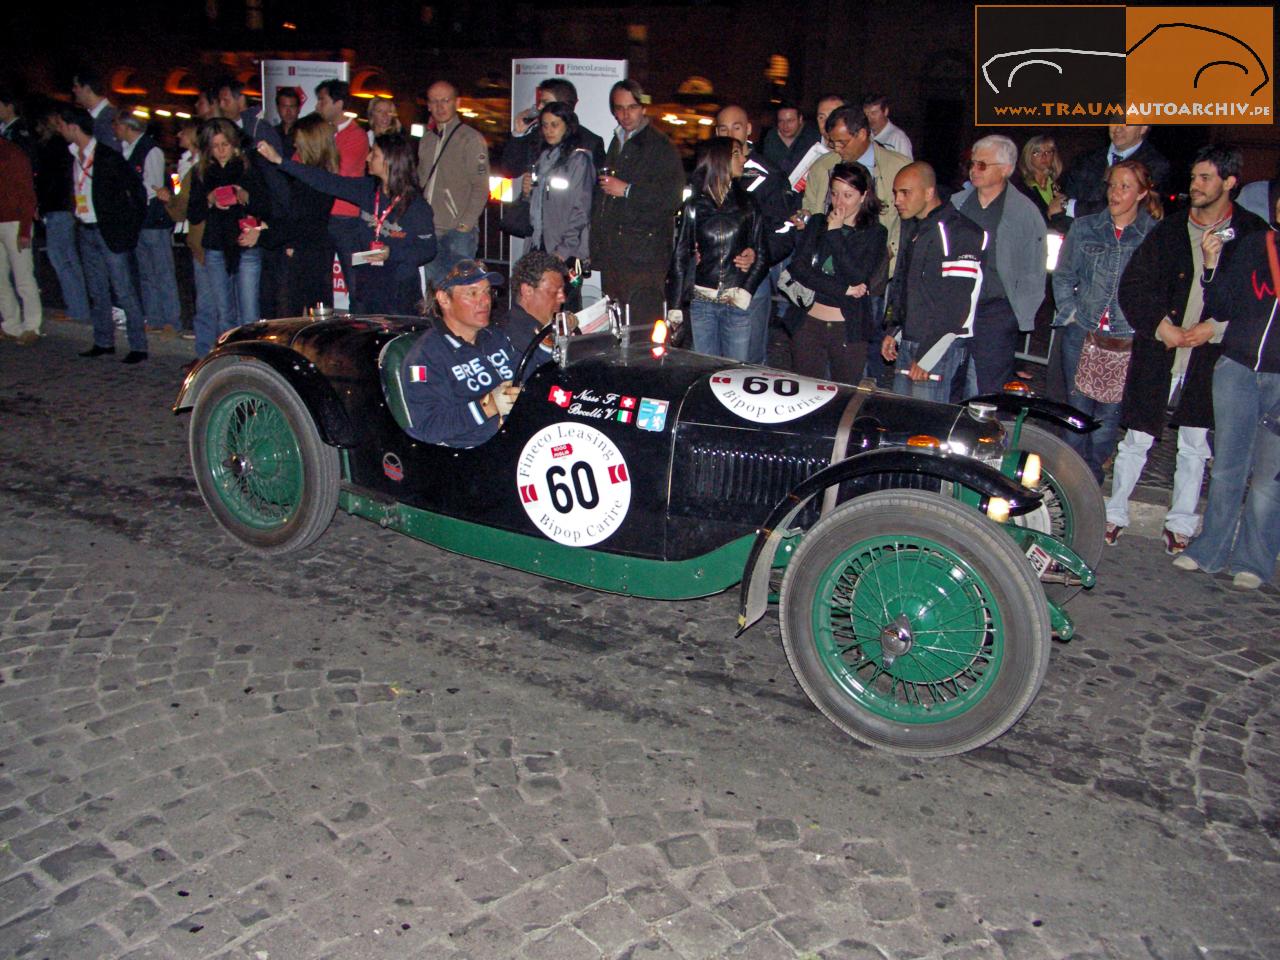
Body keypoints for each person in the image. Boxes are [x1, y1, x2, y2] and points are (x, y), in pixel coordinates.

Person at [1108, 144, 1269, 553]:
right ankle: (1114, 512)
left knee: (1195, 442)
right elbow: (1135, 285)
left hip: (1210, 353)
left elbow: (1258, 297)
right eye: (1194, 177)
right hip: (1162, 348)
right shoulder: (1172, 229)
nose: (1195, 186)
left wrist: (1214, 327)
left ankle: (1181, 520)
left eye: (1205, 178)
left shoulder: (1251, 234)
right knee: (1137, 437)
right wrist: (1162, 326)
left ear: (1229, 183)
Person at [1173, 221, 1280, 589]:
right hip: (1236, 368)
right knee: (1226, 468)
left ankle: (1254, 560)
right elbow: (1221, 304)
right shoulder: (1255, 246)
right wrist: (1210, 265)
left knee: (1269, 477)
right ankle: (1210, 550)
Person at [1052, 160, 1162, 483]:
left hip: (1125, 335)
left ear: (1142, 193)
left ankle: (1092, 473)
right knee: (1077, 409)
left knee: (1109, 414)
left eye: (1125, 187)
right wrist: (1071, 313)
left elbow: (1156, 288)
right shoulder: (1086, 227)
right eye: (1113, 185)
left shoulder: (1152, 236)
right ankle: (1072, 478)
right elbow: (1063, 274)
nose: (1115, 193)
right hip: (1083, 330)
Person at [259, 131, 436, 315]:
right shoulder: (367, 189)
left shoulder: (416, 206)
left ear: (390, 162)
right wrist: (280, 161)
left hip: (399, 291)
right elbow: (325, 181)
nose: (367, 158)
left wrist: (392, 253)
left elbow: (428, 249)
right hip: (368, 286)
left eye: (373, 154)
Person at [881, 162, 986, 403]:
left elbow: (958, 304)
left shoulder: (960, 232)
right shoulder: (919, 228)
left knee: (929, 431)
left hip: (940, 348)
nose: (897, 200)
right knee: (902, 425)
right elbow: (908, 288)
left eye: (905, 192)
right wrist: (895, 330)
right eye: (896, 193)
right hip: (912, 341)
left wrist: (929, 355)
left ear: (929, 192)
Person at [949, 134, 1046, 394]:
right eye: (972, 163)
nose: (974, 170)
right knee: (950, 378)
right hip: (955, 304)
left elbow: (1034, 267)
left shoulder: (1024, 212)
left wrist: (1018, 313)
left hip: (996, 309)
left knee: (986, 386)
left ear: (1006, 169)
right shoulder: (957, 204)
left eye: (982, 165)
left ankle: (986, 432)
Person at [590, 79, 685, 326]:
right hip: (616, 251)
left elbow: (671, 197)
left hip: (644, 254)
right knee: (616, 322)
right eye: (619, 108)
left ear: (643, 108)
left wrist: (628, 190)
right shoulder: (618, 141)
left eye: (631, 107)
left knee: (642, 324)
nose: (625, 114)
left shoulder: (660, 146)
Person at [58, 105, 148, 362]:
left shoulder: (107, 156)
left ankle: (138, 346)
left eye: (63, 125)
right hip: (86, 229)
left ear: (73, 126)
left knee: (124, 289)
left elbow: (135, 190)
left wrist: (129, 227)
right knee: (97, 290)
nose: (60, 131)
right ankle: (103, 340)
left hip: (108, 232)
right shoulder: (73, 156)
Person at [783, 162, 888, 382]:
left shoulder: (875, 233)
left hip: (847, 328)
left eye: (847, 195)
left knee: (844, 395)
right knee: (805, 391)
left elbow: (858, 276)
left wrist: (835, 234)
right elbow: (799, 269)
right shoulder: (818, 222)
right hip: (808, 322)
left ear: (863, 195)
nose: (839, 202)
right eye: (834, 194)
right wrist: (844, 290)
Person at [400, 260, 521, 447]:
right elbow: (428, 428)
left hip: (517, 439)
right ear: (444, 299)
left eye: (487, 291)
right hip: (470, 453)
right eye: (473, 293)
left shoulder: (495, 338)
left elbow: (528, 376)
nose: (485, 301)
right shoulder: (424, 357)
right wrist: (487, 407)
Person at [666, 137, 767, 360]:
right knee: (703, 369)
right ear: (720, 159)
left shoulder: (748, 204)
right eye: (736, 154)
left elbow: (762, 254)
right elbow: (680, 255)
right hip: (703, 303)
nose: (744, 159)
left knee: (735, 370)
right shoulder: (695, 205)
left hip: (736, 300)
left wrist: (745, 291)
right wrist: (674, 307)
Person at [715, 103, 798, 365]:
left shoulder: (768, 174)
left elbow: (784, 229)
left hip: (750, 279)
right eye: (723, 128)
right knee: (710, 360)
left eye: (736, 127)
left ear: (748, 129)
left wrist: (758, 257)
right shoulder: (709, 170)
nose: (730, 134)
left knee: (747, 361)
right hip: (710, 280)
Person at [186, 119, 271, 334]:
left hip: (245, 243)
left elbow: (266, 205)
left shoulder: (248, 167)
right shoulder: (202, 172)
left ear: (233, 143)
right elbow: (193, 214)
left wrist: (245, 196)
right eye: (215, 146)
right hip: (216, 244)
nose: (221, 150)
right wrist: (210, 199)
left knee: (249, 312)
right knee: (224, 312)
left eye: (224, 144)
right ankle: (230, 358)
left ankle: (249, 358)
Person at [113, 107, 181, 335]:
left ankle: (171, 318)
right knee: (146, 272)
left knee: (162, 271)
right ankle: (154, 317)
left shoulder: (150, 150)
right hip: (138, 219)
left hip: (153, 218)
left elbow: (152, 187)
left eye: (119, 125)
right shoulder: (126, 149)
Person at [418, 81, 489, 286]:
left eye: (445, 101)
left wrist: (464, 225)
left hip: (457, 233)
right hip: (431, 230)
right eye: (434, 101)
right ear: (428, 105)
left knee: (460, 291)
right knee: (436, 291)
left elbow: (481, 186)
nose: (440, 106)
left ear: (456, 103)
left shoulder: (471, 139)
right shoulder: (427, 140)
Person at [524, 102, 593, 303]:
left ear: (567, 126)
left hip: (565, 250)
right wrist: (527, 192)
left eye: (555, 125)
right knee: (541, 303)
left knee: (564, 305)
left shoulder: (578, 159)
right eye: (545, 125)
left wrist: (564, 250)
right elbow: (540, 204)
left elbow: (581, 209)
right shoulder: (543, 157)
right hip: (540, 242)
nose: (549, 131)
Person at [159, 120, 216, 363]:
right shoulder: (183, 163)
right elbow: (180, 193)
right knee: (202, 296)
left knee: (208, 298)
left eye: (183, 132)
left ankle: (209, 352)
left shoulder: (202, 166)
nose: (179, 135)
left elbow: (184, 201)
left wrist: (172, 201)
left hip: (202, 233)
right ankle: (204, 352)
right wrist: (172, 195)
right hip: (188, 230)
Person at [273, 114, 339, 315]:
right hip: (315, 245)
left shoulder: (312, 177)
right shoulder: (322, 173)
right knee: (316, 303)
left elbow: (304, 216)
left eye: (299, 140)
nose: (295, 144)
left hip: (307, 246)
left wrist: (291, 244)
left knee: (294, 305)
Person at [33, 102, 89, 326]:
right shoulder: (56, 146)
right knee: (66, 258)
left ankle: (77, 308)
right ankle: (77, 306)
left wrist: (44, 201)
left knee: (63, 258)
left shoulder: (56, 147)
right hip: (58, 206)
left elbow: (53, 180)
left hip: (59, 207)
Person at [316, 79, 370, 306]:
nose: (318, 106)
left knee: (354, 279)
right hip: (322, 214)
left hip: (346, 217)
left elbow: (338, 175)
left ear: (338, 104)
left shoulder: (356, 135)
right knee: (320, 280)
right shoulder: (320, 132)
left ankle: (360, 324)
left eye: (322, 100)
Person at [1061, 121, 1171, 222]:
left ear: (1143, 128)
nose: (1118, 128)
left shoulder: (1155, 165)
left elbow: (1130, 209)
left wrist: (1072, 207)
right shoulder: (1086, 159)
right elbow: (1060, 204)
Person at [0, 137, 41, 345]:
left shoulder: (14, 154)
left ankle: (32, 325)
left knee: (23, 275)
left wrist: (25, 228)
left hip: (15, 222)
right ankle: (10, 323)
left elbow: (27, 193)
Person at [503, 248, 569, 372]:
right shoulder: (514, 336)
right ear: (527, 291)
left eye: (562, 291)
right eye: (554, 292)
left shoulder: (550, 325)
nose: (562, 299)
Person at [1012, 134, 1069, 231]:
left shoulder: (1063, 184)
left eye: (1048, 152)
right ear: (1028, 156)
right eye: (1037, 152)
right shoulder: (1020, 188)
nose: (1044, 156)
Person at [761, 101, 820, 186]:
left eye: (790, 121)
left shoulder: (813, 136)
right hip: (778, 190)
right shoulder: (771, 137)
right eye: (781, 121)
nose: (785, 126)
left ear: (800, 119)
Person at [71, 68, 120, 151]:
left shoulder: (109, 119)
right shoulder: (92, 117)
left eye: (76, 86)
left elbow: (110, 157)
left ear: (87, 89)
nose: (73, 90)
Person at [862, 94, 913, 160]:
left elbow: (909, 167)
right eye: (866, 114)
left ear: (886, 111)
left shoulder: (898, 138)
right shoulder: (865, 136)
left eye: (873, 113)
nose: (869, 118)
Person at [275, 87, 301, 154]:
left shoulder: (307, 133)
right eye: (284, 107)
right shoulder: (271, 133)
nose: (288, 112)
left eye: (292, 107)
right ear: (278, 109)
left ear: (298, 109)